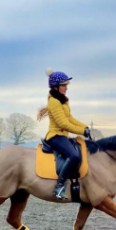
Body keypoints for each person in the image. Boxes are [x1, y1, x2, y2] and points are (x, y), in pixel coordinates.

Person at [37, 68, 91, 199]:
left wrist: (84, 127)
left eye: (66, 85)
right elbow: (63, 124)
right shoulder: (54, 102)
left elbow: (70, 118)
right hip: (55, 136)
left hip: (63, 136)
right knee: (74, 156)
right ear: (56, 87)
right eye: (63, 85)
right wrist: (81, 131)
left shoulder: (63, 100)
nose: (66, 88)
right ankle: (59, 187)